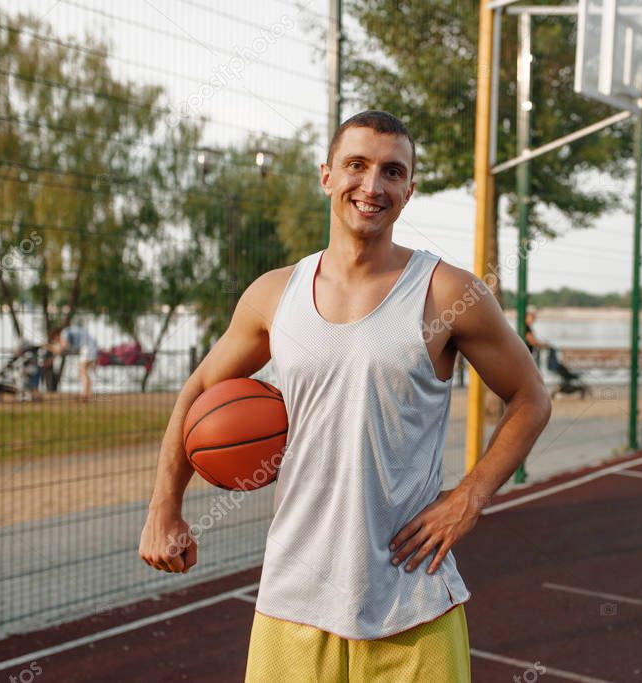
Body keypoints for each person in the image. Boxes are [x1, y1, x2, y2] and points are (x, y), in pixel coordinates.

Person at [138, 111, 552, 681]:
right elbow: (199, 391)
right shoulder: (273, 295)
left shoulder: (449, 293)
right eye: (356, 166)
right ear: (327, 175)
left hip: (412, 604)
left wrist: (470, 496)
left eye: (391, 172)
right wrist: (165, 507)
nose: (372, 186)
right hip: (294, 599)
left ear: (409, 190)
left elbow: (531, 396)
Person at [47, 324, 98, 399]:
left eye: (56, 340)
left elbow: (63, 347)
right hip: (90, 347)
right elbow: (67, 349)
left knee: (83, 370)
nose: (57, 341)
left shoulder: (64, 332)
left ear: (56, 335)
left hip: (87, 348)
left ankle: (85, 393)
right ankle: (88, 392)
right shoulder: (69, 331)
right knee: (84, 371)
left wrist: (52, 348)